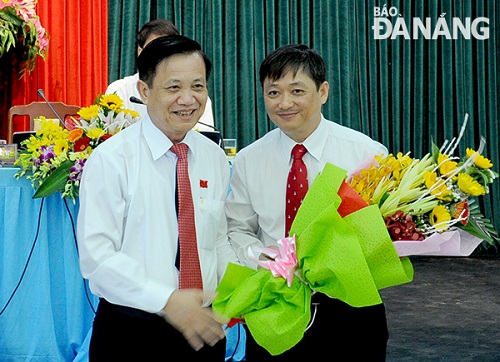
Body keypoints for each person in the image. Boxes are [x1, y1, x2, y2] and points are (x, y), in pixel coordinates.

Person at [77, 35, 237, 360]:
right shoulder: (112, 160)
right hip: (132, 333)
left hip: (202, 330)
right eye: (173, 87)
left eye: (198, 86)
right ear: (145, 91)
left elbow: (216, 239)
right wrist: (167, 300)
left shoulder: (213, 157)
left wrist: (238, 287)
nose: (188, 99)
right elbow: (98, 257)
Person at [225, 44, 390, 361]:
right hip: (275, 309)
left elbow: (381, 234)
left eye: (296, 91)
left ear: (323, 91)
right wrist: (272, 262)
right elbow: (237, 229)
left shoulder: (366, 155)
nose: (284, 103)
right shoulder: (249, 160)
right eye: (273, 93)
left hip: (351, 309)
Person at [105, 19, 215, 131]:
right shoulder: (119, 91)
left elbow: (206, 136)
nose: (163, 58)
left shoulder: (195, 98)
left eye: (170, 51)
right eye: (155, 51)